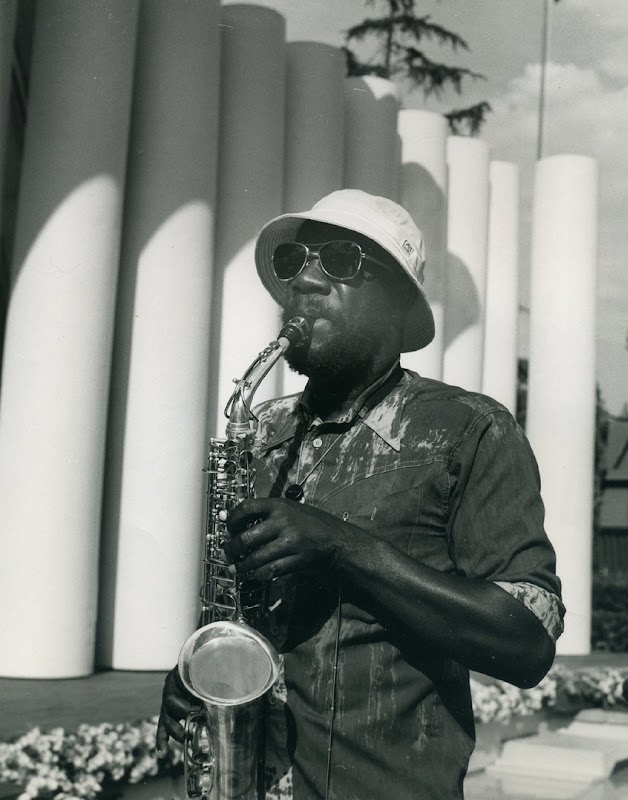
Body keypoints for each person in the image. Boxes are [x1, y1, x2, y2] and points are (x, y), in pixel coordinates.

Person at [157, 189, 564, 800]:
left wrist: (345, 548)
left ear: (400, 305)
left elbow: (527, 643)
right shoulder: (260, 433)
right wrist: (201, 669)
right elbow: (234, 604)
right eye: (294, 261)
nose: (305, 281)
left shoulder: (470, 429)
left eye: (342, 260)